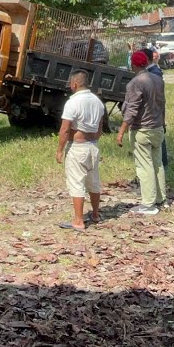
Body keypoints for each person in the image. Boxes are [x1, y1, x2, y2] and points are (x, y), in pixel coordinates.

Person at [117, 51, 166, 215]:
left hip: (142, 129)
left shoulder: (135, 82)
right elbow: (162, 104)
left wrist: (121, 131)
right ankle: (161, 199)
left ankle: (148, 204)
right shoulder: (158, 79)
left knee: (144, 167)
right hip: (157, 128)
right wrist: (163, 124)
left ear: (134, 65)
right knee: (157, 164)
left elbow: (131, 110)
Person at [56, 70, 104, 231]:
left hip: (78, 147)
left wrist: (60, 150)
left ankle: (78, 220)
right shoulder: (98, 102)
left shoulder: (73, 102)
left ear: (74, 84)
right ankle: (96, 214)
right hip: (93, 146)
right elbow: (99, 129)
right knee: (93, 181)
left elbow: (64, 129)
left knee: (77, 182)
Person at [142, 48, 171, 169]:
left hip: (154, 110)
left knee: (158, 141)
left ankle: (162, 165)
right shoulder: (153, 71)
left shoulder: (154, 73)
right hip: (155, 111)